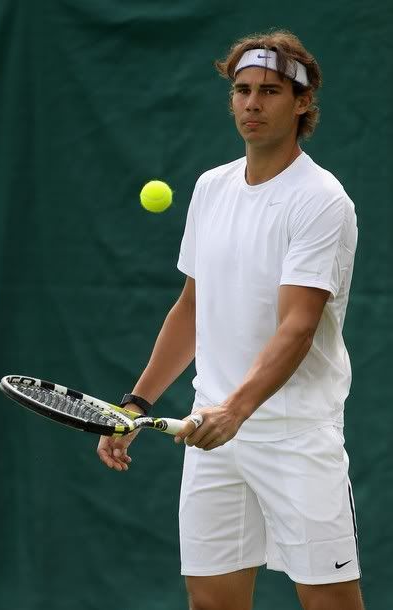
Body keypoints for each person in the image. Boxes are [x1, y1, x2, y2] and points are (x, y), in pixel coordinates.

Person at [97, 29, 365, 610]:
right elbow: (193, 307)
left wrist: (237, 409)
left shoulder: (321, 199)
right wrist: (136, 404)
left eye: (269, 90)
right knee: (212, 602)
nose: (251, 103)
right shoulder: (209, 188)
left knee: (330, 603)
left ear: (302, 103)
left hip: (295, 438)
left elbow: (297, 325)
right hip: (212, 435)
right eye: (241, 89)